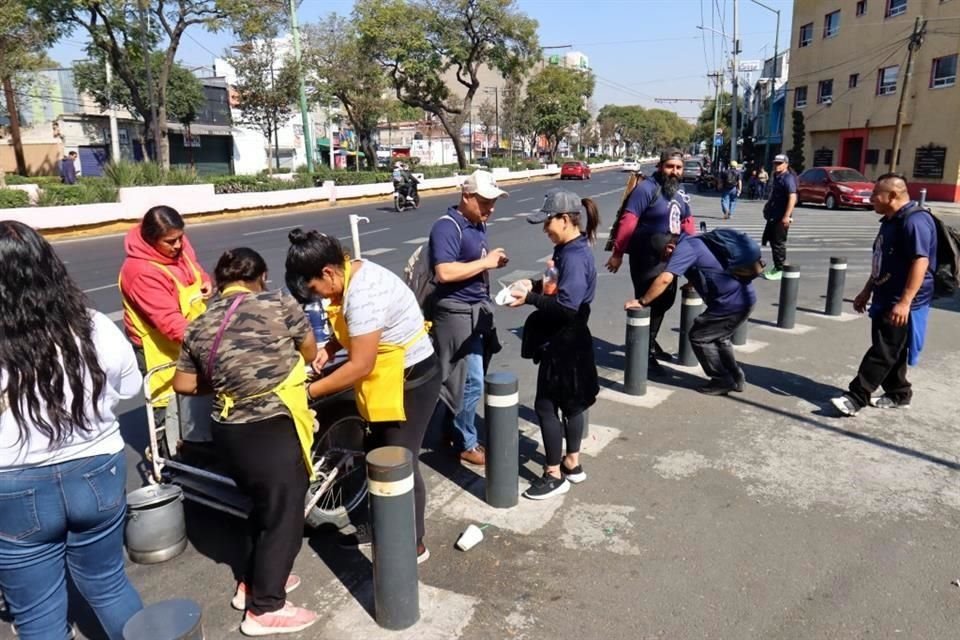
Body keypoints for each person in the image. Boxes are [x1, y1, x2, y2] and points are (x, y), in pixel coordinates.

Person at [0, 221, 144, 640]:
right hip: (96, 469)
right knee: (109, 583)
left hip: (13, 484)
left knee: (39, 614)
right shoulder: (94, 325)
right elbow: (130, 386)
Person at [173, 248, 319, 636]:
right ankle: (265, 608)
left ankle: (253, 582)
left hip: (227, 429)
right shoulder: (278, 302)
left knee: (261, 505)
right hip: (269, 426)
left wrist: (227, 380)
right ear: (262, 275)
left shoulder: (200, 323)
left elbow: (184, 384)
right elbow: (310, 350)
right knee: (285, 513)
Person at [285, 229, 441, 562]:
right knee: (376, 452)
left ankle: (411, 543)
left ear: (328, 272)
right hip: (383, 377)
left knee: (400, 460)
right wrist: (329, 347)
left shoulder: (364, 293)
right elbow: (355, 334)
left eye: (316, 290)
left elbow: (359, 365)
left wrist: (308, 391)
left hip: (411, 380)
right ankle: (381, 523)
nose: (321, 299)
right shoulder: (347, 275)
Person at [508, 190, 600, 499]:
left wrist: (529, 299)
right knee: (572, 405)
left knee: (546, 406)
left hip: (564, 341)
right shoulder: (571, 248)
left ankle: (553, 474)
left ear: (564, 219)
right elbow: (555, 283)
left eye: (548, 221)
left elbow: (566, 306)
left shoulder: (573, 255)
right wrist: (532, 284)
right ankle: (572, 462)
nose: (545, 228)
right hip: (572, 340)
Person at [831, 174, 937, 417]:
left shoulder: (914, 222)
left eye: (875, 194)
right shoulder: (890, 221)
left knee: (884, 350)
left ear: (892, 196)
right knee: (892, 348)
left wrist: (905, 302)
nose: (871, 198)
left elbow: (920, 262)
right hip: (885, 294)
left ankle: (856, 396)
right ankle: (899, 392)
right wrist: (868, 289)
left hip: (902, 299)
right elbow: (883, 260)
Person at [428, 170, 509, 466]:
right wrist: (485, 262)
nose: (491, 208)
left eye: (493, 201)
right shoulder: (447, 227)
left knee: (461, 376)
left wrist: (490, 263)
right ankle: (465, 441)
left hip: (477, 310)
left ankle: (445, 430)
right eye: (485, 201)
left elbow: (471, 265)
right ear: (466, 197)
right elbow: (445, 272)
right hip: (456, 313)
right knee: (469, 379)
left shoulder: (477, 225)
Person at [119, 206, 212, 441]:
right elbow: (170, 323)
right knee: (167, 408)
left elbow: (195, 269)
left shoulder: (178, 246)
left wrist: (205, 281)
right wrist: (212, 342)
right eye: (170, 242)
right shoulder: (140, 272)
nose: (179, 246)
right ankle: (166, 459)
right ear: (151, 240)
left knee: (197, 405)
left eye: (180, 238)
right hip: (159, 350)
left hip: (191, 339)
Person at [626, 231, 757, 395]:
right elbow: (707, 265)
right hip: (745, 299)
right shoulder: (696, 241)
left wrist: (642, 301)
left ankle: (722, 379)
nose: (664, 260)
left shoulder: (684, 248)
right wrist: (692, 282)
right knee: (719, 338)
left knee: (700, 336)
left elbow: (665, 279)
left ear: (670, 247)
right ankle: (736, 377)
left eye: (664, 256)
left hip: (729, 304)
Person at [605, 148, 692, 376]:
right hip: (646, 256)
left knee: (666, 300)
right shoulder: (646, 189)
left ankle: (650, 341)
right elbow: (628, 221)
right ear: (660, 166)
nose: (674, 172)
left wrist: (692, 250)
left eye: (678, 168)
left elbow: (687, 221)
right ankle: (645, 352)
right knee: (649, 300)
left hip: (671, 255)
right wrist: (617, 253)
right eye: (670, 167)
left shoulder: (680, 192)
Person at [761, 154, 798, 280]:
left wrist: (787, 216)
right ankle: (777, 267)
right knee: (772, 241)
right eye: (775, 163)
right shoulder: (778, 176)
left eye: (780, 163)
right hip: (774, 215)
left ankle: (780, 269)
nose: (777, 165)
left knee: (778, 243)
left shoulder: (788, 178)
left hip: (781, 216)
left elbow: (793, 197)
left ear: (786, 164)